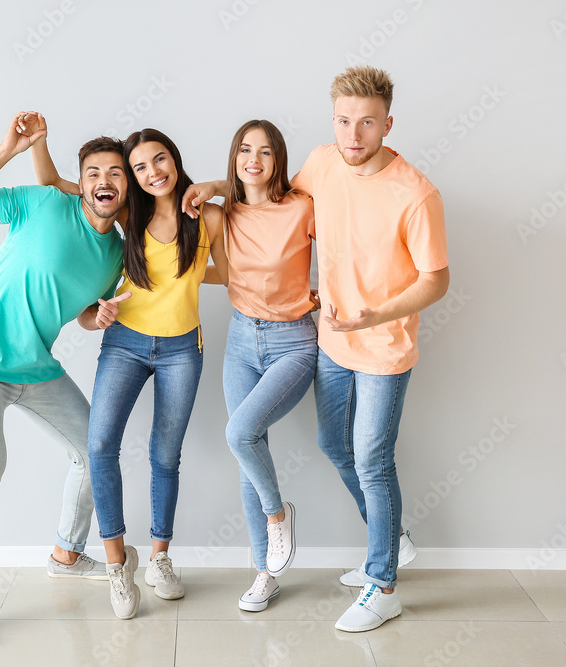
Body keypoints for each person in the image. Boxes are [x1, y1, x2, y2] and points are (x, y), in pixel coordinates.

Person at [184, 66, 448, 632]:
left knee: (373, 461)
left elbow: (436, 279)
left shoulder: (417, 193)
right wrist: (211, 185)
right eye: (344, 121)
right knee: (335, 445)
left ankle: (383, 584)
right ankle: (390, 537)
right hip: (329, 340)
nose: (353, 135)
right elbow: (266, 189)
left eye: (367, 123)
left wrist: (378, 312)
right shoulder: (325, 162)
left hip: (383, 348)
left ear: (387, 124)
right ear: (334, 120)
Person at [0, 111, 130, 649]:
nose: (103, 182)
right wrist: (9, 149)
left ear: (125, 185)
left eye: (115, 174)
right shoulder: (46, 203)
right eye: (93, 172)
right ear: (81, 179)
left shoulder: (117, 251)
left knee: (96, 449)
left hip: (35, 365)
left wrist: (101, 317)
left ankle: (67, 554)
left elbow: (84, 313)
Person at [34, 125, 227, 620]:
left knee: (166, 454)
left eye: (158, 160)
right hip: (125, 344)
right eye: (139, 167)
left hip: (184, 348)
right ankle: (118, 565)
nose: (151, 172)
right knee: (99, 445)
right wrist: (37, 143)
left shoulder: (207, 214)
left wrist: (185, 267)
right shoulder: (127, 210)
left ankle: (160, 560)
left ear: (174, 159)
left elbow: (225, 272)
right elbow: (56, 184)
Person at [203, 120, 317, 612]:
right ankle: (265, 574)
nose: (254, 159)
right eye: (245, 150)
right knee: (250, 453)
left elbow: (346, 252)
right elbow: (215, 271)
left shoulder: (302, 207)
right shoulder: (221, 212)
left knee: (239, 433)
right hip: (240, 341)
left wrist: (330, 296)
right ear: (234, 157)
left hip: (293, 342)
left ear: (279, 160)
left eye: (265, 152)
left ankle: (277, 516)